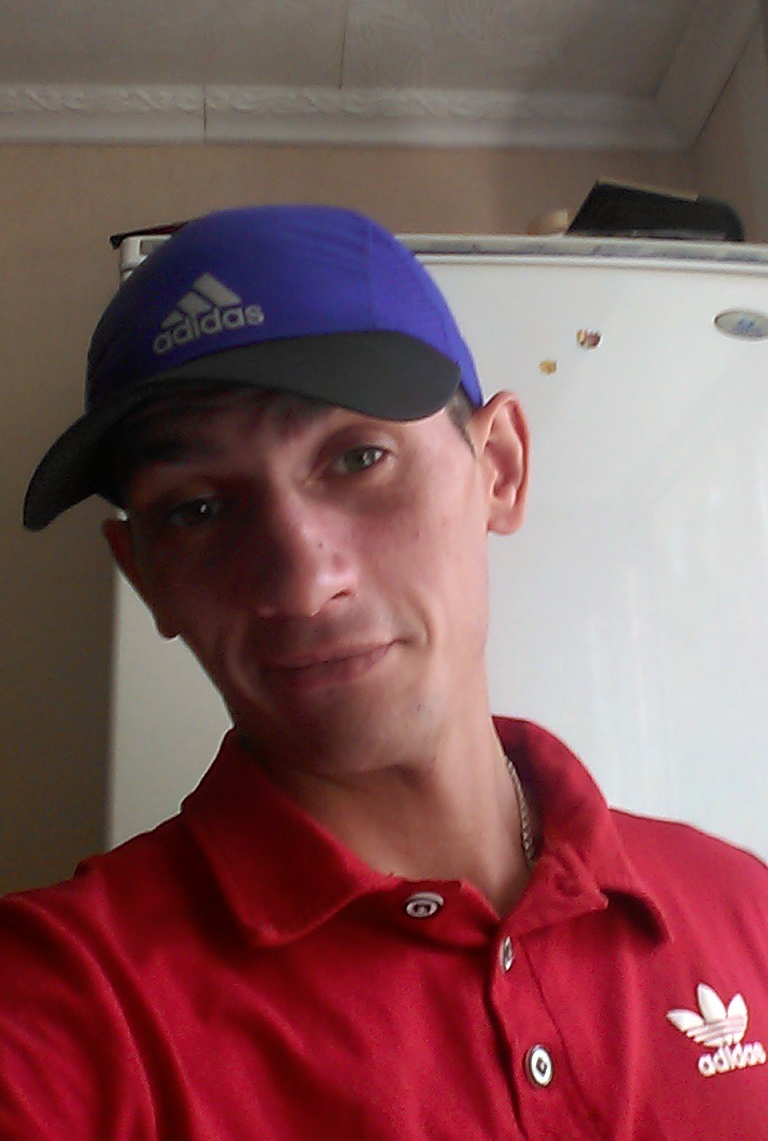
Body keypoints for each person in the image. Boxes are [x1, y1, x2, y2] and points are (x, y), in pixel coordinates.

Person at [3, 205, 767, 1139]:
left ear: (499, 469)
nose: (304, 580)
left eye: (359, 458)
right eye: (196, 510)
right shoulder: (68, 1002)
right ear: (146, 578)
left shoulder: (743, 907)